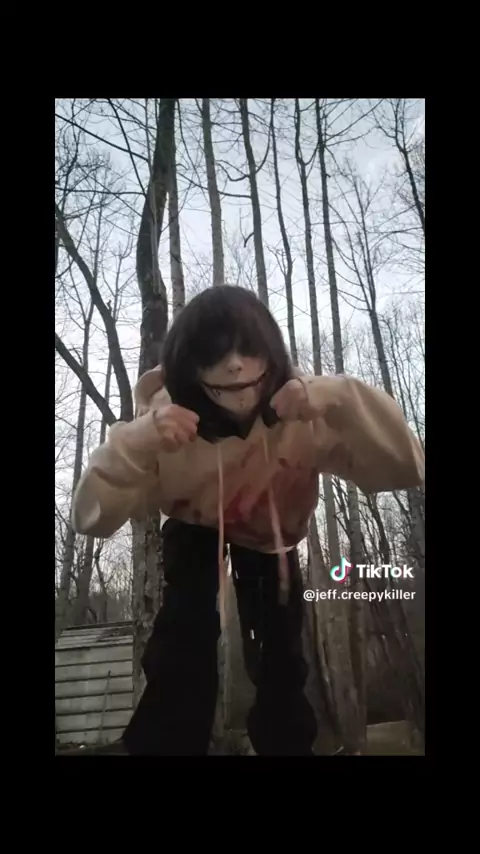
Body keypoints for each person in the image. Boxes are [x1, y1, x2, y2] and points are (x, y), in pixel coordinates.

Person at [72, 286, 425, 755]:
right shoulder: (165, 419)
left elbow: (405, 467)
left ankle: (287, 743)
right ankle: (165, 742)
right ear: (188, 365)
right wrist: (136, 442)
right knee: (184, 632)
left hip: (271, 532)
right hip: (195, 522)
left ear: (269, 354)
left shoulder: (301, 409)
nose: (235, 366)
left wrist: (338, 396)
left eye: (247, 350)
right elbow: (90, 517)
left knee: (281, 649)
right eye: (215, 355)